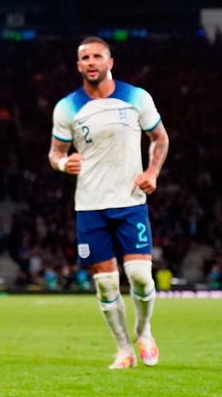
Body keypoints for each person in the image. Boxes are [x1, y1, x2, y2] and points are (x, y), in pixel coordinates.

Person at [48, 37, 170, 369]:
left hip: (130, 201)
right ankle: (123, 350)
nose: (91, 62)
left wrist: (153, 172)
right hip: (90, 206)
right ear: (78, 66)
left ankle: (144, 333)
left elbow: (159, 138)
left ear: (109, 62)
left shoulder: (136, 97)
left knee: (141, 276)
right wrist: (62, 164)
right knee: (106, 284)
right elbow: (55, 153)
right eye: (84, 57)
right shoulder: (67, 108)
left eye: (97, 56)